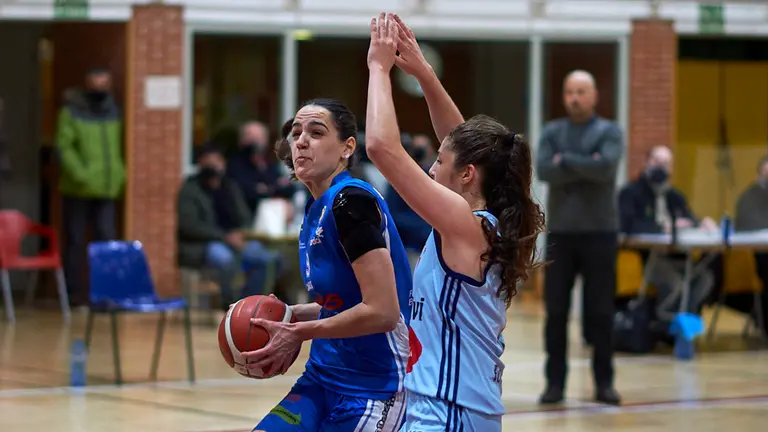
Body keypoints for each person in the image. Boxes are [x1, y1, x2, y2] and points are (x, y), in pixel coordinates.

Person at [365, 14, 544, 431]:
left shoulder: (467, 226)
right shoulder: (487, 222)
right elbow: (461, 141)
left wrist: (378, 68)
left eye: (438, 162)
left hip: (448, 413)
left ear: (466, 175)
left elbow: (381, 147)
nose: (430, 169)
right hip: (453, 409)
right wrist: (425, 74)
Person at [241, 98, 413, 432]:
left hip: (375, 387)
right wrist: (283, 316)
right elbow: (336, 305)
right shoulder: (316, 207)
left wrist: (299, 333)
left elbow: (383, 311)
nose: (301, 141)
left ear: (347, 147)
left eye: (316, 132)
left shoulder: (351, 203)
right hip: (321, 378)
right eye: (296, 133)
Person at [535, 69, 623, 405]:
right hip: (561, 234)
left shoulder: (609, 131)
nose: (575, 97)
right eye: (570, 91)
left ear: (594, 95)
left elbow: (606, 169)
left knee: (600, 312)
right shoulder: (553, 131)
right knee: (555, 312)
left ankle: (604, 383)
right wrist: (587, 162)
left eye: (581, 91)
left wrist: (567, 162)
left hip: (600, 233)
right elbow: (544, 169)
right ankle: (554, 384)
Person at [177, 143, 282, 308]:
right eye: (209, 161)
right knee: (224, 259)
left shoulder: (230, 186)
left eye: (217, 161)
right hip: (205, 244)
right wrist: (224, 237)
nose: (214, 165)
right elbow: (189, 226)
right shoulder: (190, 189)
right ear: (200, 164)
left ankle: (248, 303)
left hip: (237, 239)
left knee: (270, 259)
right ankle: (229, 305)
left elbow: (245, 217)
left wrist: (242, 234)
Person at [619, 145, 718, 318]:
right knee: (674, 282)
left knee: (704, 278)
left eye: (666, 163)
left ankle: (685, 319)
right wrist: (663, 227)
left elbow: (688, 218)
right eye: (657, 161)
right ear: (647, 162)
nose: (661, 167)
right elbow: (627, 225)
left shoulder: (674, 195)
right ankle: (663, 323)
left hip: (674, 256)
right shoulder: (630, 192)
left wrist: (702, 223)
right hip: (645, 257)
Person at [56, 68, 125, 307]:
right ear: (87, 84)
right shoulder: (71, 111)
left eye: (104, 82)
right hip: (78, 189)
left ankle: (106, 297)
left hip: (107, 189)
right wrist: (81, 174)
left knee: (106, 242)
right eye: (96, 83)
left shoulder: (114, 111)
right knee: (75, 242)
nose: (100, 87)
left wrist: (120, 174)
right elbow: (63, 147)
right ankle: (74, 296)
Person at [227, 120, 295, 217]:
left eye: (260, 137)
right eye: (251, 137)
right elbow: (248, 193)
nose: (256, 141)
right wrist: (274, 190)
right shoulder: (235, 165)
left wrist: (267, 189)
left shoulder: (268, 163)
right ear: (242, 140)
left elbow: (288, 188)